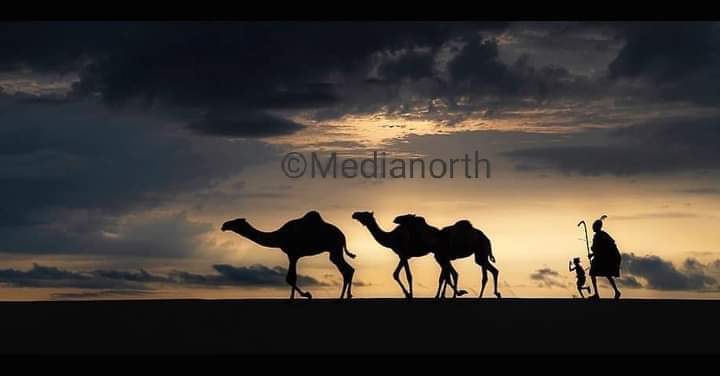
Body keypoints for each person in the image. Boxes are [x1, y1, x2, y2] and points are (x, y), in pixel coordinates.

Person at [588, 219, 622, 299]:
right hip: (603, 258)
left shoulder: (599, 236)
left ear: (597, 227)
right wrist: (593, 254)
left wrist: (592, 252)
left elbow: (600, 249)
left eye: (594, 226)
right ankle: (616, 291)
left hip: (603, 259)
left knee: (593, 273)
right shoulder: (603, 235)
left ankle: (597, 294)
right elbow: (600, 248)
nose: (593, 228)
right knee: (606, 274)